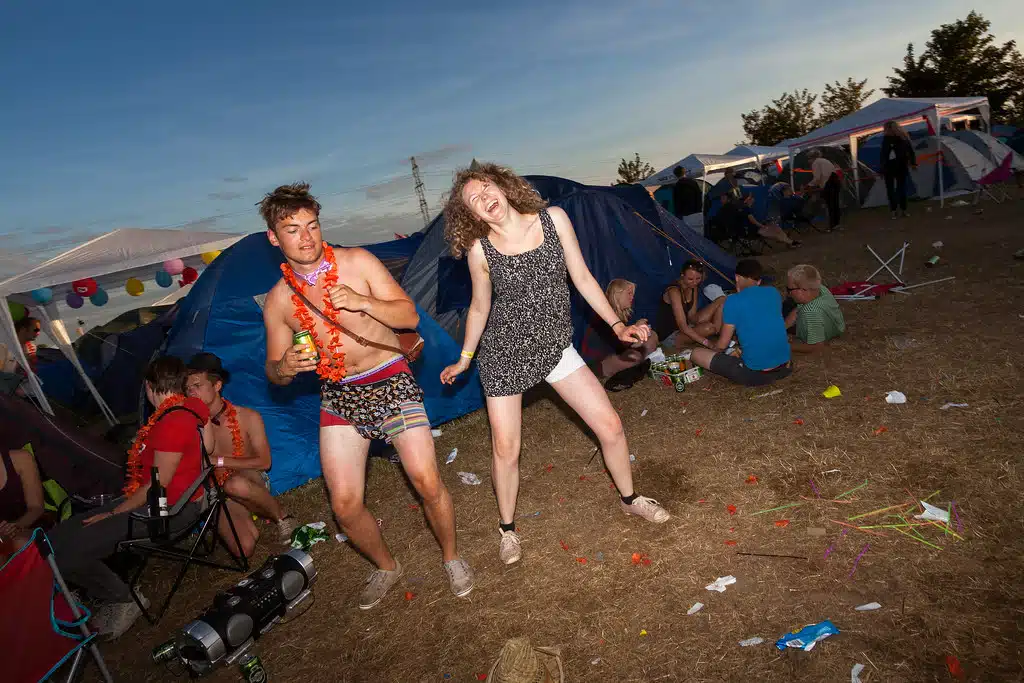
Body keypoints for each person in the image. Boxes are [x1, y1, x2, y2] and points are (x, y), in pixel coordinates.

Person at [439, 163, 670, 567]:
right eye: (473, 200)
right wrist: (464, 359)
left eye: (486, 188)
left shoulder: (553, 219)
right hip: (505, 354)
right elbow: (479, 307)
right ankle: (507, 529)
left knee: (610, 426)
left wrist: (617, 325)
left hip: (555, 347)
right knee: (506, 448)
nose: (484, 199)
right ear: (471, 215)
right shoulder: (481, 249)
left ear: (504, 186)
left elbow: (581, 277)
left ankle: (630, 499)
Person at [260, 183, 473, 609]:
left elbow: (409, 315)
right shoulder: (278, 301)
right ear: (273, 237)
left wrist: (362, 301)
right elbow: (272, 369)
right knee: (344, 504)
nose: (306, 237)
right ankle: (387, 567)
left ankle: (452, 557)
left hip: (390, 377)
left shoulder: (357, 262)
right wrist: (284, 368)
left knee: (426, 480)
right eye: (292, 229)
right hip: (339, 394)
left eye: (312, 225)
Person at [48, 356, 209, 639]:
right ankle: (81, 591)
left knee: (68, 554)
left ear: (149, 386)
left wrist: (113, 513)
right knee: (59, 536)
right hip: (154, 501)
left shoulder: (173, 422)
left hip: (168, 512)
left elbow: (156, 487)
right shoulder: (175, 414)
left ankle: (123, 600)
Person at [186, 353, 296, 557]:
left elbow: (265, 462)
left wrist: (218, 461)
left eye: (197, 385)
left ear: (217, 386)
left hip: (249, 479)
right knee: (243, 549)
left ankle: (283, 516)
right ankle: (248, 513)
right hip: (218, 493)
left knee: (235, 484)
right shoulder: (189, 425)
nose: (191, 392)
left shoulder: (247, 417)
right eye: (188, 388)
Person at [690, 259, 792, 386]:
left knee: (696, 353)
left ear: (737, 278)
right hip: (785, 367)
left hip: (756, 374)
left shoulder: (733, 301)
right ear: (758, 281)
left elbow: (722, 345)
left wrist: (713, 348)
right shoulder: (773, 292)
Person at [597, 279, 659, 385]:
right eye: (629, 293)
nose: (632, 297)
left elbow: (625, 346)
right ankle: (641, 362)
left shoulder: (622, 315)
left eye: (633, 294)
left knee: (652, 335)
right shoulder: (606, 316)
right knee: (635, 357)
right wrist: (637, 329)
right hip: (601, 362)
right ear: (617, 294)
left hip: (618, 354)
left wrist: (640, 332)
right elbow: (615, 346)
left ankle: (641, 361)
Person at [657, 260, 725, 352]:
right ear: (682, 276)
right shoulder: (674, 291)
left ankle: (719, 337)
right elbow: (683, 326)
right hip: (671, 336)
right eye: (690, 279)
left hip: (687, 327)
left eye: (698, 278)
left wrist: (708, 317)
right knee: (708, 328)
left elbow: (692, 317)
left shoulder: (693, 288)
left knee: (722, 300)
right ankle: (706, 341)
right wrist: (707, 343)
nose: (694, 282)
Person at [0, 432, 45, 554]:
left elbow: (36, 508)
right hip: (3, 538)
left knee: (20, 542)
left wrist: (16, 526)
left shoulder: (21, 459)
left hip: (32, 525)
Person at [784, 265, 845, 353]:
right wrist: (781, 329)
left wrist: (785, 346)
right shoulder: (820, 289)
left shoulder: (810, 311)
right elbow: (797, 310)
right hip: (833, 327)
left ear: (803, 290)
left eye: (789, 289)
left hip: (815, 328)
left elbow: (817, 347)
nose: (788, 293)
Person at [880, 121, 917, 219]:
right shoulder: (902, 137)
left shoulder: (895, 138)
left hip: (893, 166)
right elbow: (911, 151)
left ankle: (895, 211)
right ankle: (901, 210)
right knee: (899, 188)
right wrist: (913, 163)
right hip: (897, 166)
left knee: (894, 189)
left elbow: (883, 155)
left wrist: (913, 162)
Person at [804, 149, 841, 230]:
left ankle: (832, 225)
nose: (808, 161)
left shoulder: (816, 163)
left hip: (829, 183)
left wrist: (809, 185)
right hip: (835, 181)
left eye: (808, 159)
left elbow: (817, 177)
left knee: (830, 205)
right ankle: (836, 224)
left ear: (811, 157)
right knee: (835, 204)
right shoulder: (825, 160)